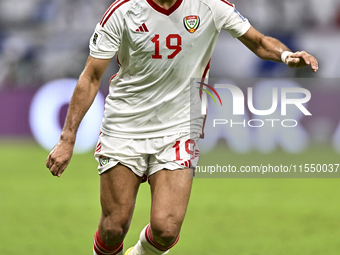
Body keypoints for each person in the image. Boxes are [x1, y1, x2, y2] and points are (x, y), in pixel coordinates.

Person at [45, 0, 318, 254]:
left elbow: (258, 41)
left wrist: (286, 56)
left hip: (178, 127)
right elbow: (91, 76)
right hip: (125, 125)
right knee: (113, 227)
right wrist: (68, 139)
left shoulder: (210, 6)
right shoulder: (124, 10)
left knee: (166, 230)